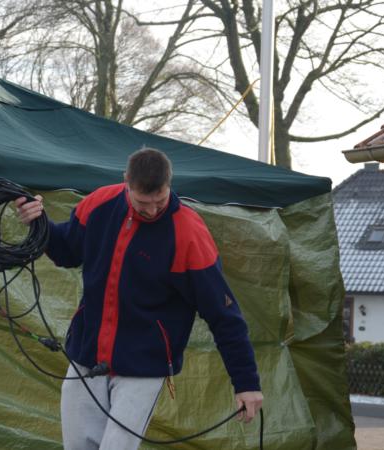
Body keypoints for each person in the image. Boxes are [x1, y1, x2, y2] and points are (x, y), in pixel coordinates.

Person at [16, 147, 262, 450]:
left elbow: (223, 314)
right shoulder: (99, 203)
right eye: (143, 202)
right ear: (126, 182)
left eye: (160, 200)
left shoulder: (188, 232)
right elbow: (66, 251)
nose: (152, 210)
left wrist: (246, 383)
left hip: (144, 365)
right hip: (86, 354)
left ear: (169, 184)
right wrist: (38, 222)